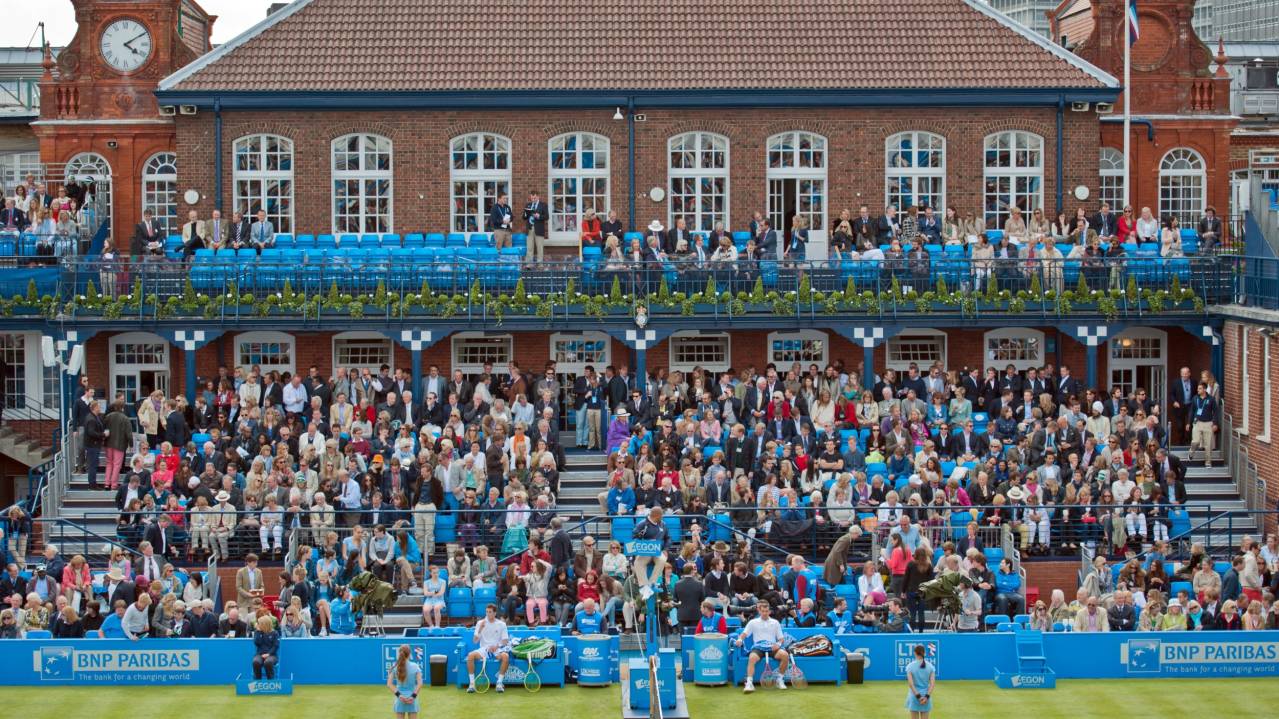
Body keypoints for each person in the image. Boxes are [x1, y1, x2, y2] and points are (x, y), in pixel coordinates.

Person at [734, 600, 789, 693]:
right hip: (758, 647)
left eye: (766, 611)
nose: (765, 613)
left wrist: (778, 644)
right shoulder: (753, 622)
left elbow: (781, 639)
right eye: (763, 611)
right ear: (759, 611)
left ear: (769, 611)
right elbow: (744, 633)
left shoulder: (775, 622)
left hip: (772, 647)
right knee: (752, 658)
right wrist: (740, 640)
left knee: (785, 655)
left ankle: (780, 680)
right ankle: (749, 683)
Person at [466, 604, 511, 693]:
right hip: (484, 649)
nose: (488, 614)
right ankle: (472, 684)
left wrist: (496, 646)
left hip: (496, 648)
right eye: (486, 612)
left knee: (505, 656)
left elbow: (505, 641)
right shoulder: (480, 623)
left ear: (495, 613)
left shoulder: (501, 624)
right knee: (470, 656)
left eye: (490, 612)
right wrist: (480, 629)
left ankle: (499, 683)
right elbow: (475, 641)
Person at [388, 643, 423, 719]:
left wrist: (399, 695)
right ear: (409, 654)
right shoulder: (415, 666)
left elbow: (389, 684)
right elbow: (420, 684)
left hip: (400, 699)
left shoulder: (395, 666)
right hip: (412, 699)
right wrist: (413, 697)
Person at [904, 643, 936, 719]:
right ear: (924, 653)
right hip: (926, 697)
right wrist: (926, 697)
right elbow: (932, 684)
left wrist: (918, 697)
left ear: (914, 653)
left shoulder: (910, 666)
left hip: (914, 697)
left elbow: (911, 684)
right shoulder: (930, 666)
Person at [251, 615, 279, 680]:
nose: (257, 625)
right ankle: (257, 682)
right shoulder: (257, 632)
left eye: (259, 623)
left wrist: (268, 654)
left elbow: (276, 646)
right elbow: (257, 643)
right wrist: (258, 632)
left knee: (268, 662)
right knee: (256, 662)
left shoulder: (274, 633)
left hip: (272, 655)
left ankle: (270, 681)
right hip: (259, 654)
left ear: (264, 624)